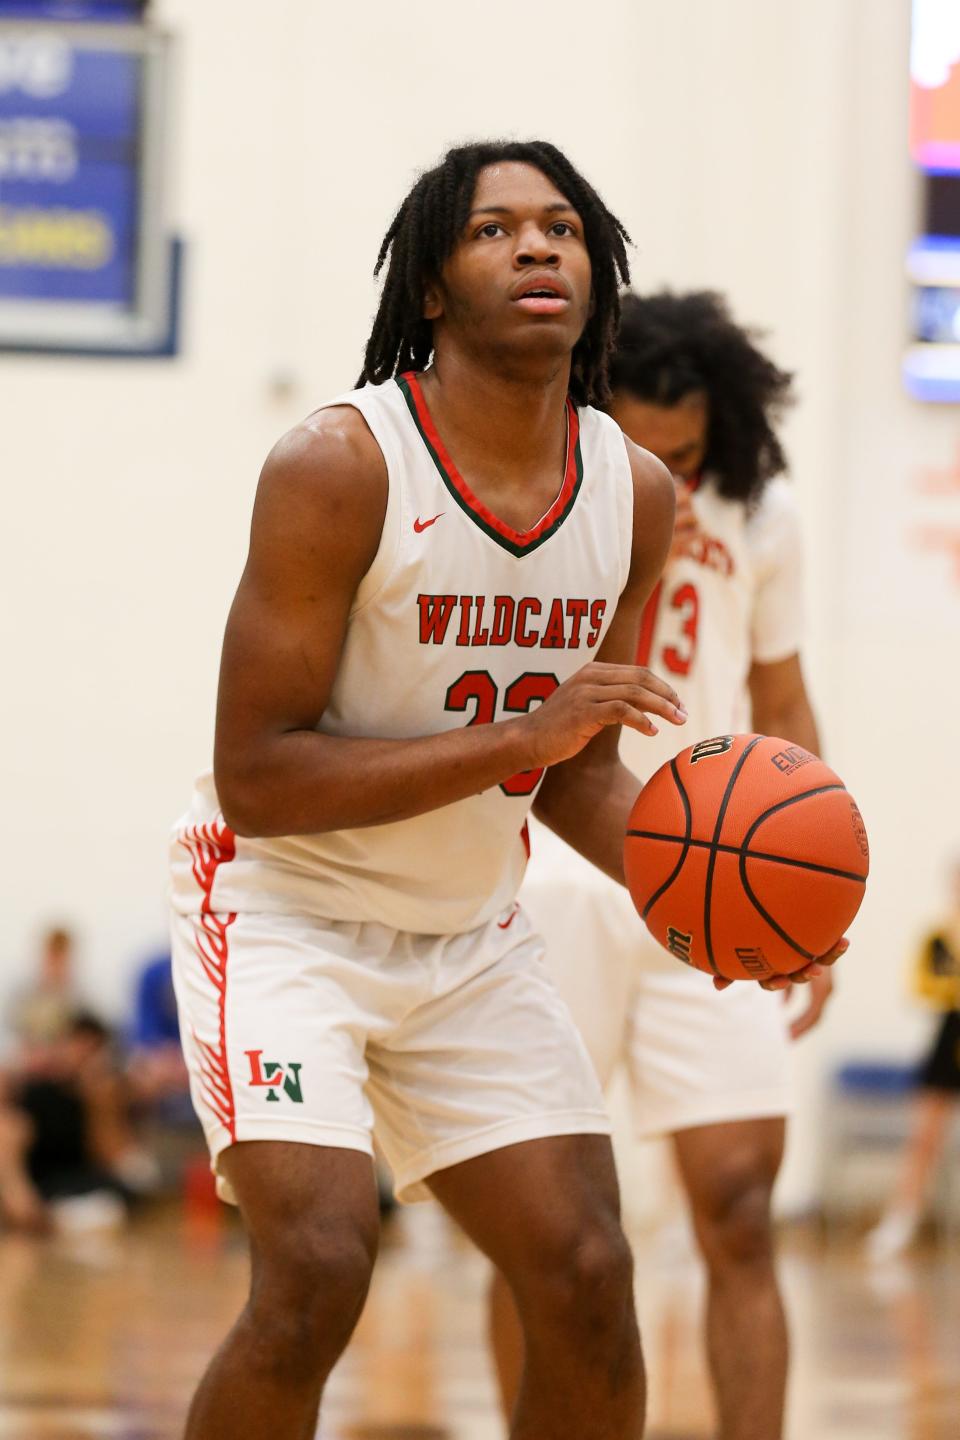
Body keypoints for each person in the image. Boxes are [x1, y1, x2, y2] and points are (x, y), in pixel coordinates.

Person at [168, 143, 834, 1440]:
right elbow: (258, 778)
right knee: (315, 1270)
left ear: (598, 273)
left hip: (470, 935)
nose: (539, 247)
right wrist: (522, 737)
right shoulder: (340, 467)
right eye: (496, 230)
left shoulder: (633, 495)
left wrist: (732, 903)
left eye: (564, 229)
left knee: (587, 1274)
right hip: (283, 913)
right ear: (429, 283)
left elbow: (580, 776)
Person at [490, 290, 838, 1440]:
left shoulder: (763, 509)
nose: (666, 475)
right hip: (553, 867)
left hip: (717, 866)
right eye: (645, 446)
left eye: (686, 454)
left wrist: (810, 894)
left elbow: (781, 698)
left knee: (740, 1211)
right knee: (542, 1230)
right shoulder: (533, 485)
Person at [866, 857, 960, 1262]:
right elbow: (920, 984)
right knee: (924, 1137)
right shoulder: (937, 934)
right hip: (948, 1035)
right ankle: (902, 1220)